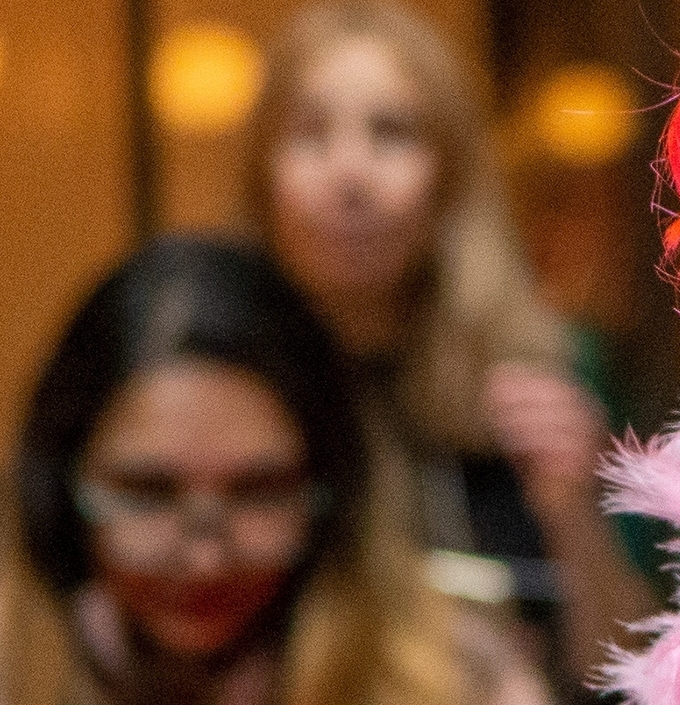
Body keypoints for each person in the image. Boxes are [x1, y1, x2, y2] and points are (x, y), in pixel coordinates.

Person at [246, 0, 653, 696]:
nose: (352, 176)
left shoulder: (541, 373)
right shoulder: (225, 387)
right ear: (262, 179)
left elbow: (627, 671)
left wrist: (573, 515)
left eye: (393, 133)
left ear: (451, 179)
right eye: (310, 133)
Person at [4, 235, 549, 705]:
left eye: (258, 493)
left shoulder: (459, 674)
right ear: (57, 485)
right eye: (150, 493)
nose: (205, 559)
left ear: (331, 490)